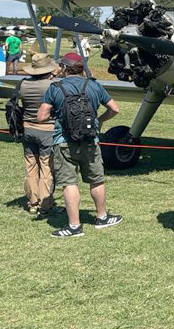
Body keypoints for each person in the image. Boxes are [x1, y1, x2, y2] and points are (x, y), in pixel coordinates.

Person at [37, 53, 122, 237]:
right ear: (82, 68)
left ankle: (74, 226)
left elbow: (41, 116)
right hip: (91, 140)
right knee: (96, 179)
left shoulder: (55, 88)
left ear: (65, 68)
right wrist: (99, 121)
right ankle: (102, 217)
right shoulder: (94, 85)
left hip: (64, 142)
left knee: (69, 183)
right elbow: (115, 109)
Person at [19, 53, 59, 215]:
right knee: (47, 168)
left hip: (28, 128)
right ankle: (45, 204)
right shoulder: (52, 86)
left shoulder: (23, 84)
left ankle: (33, 202)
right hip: (47, 130)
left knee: (31, 167)